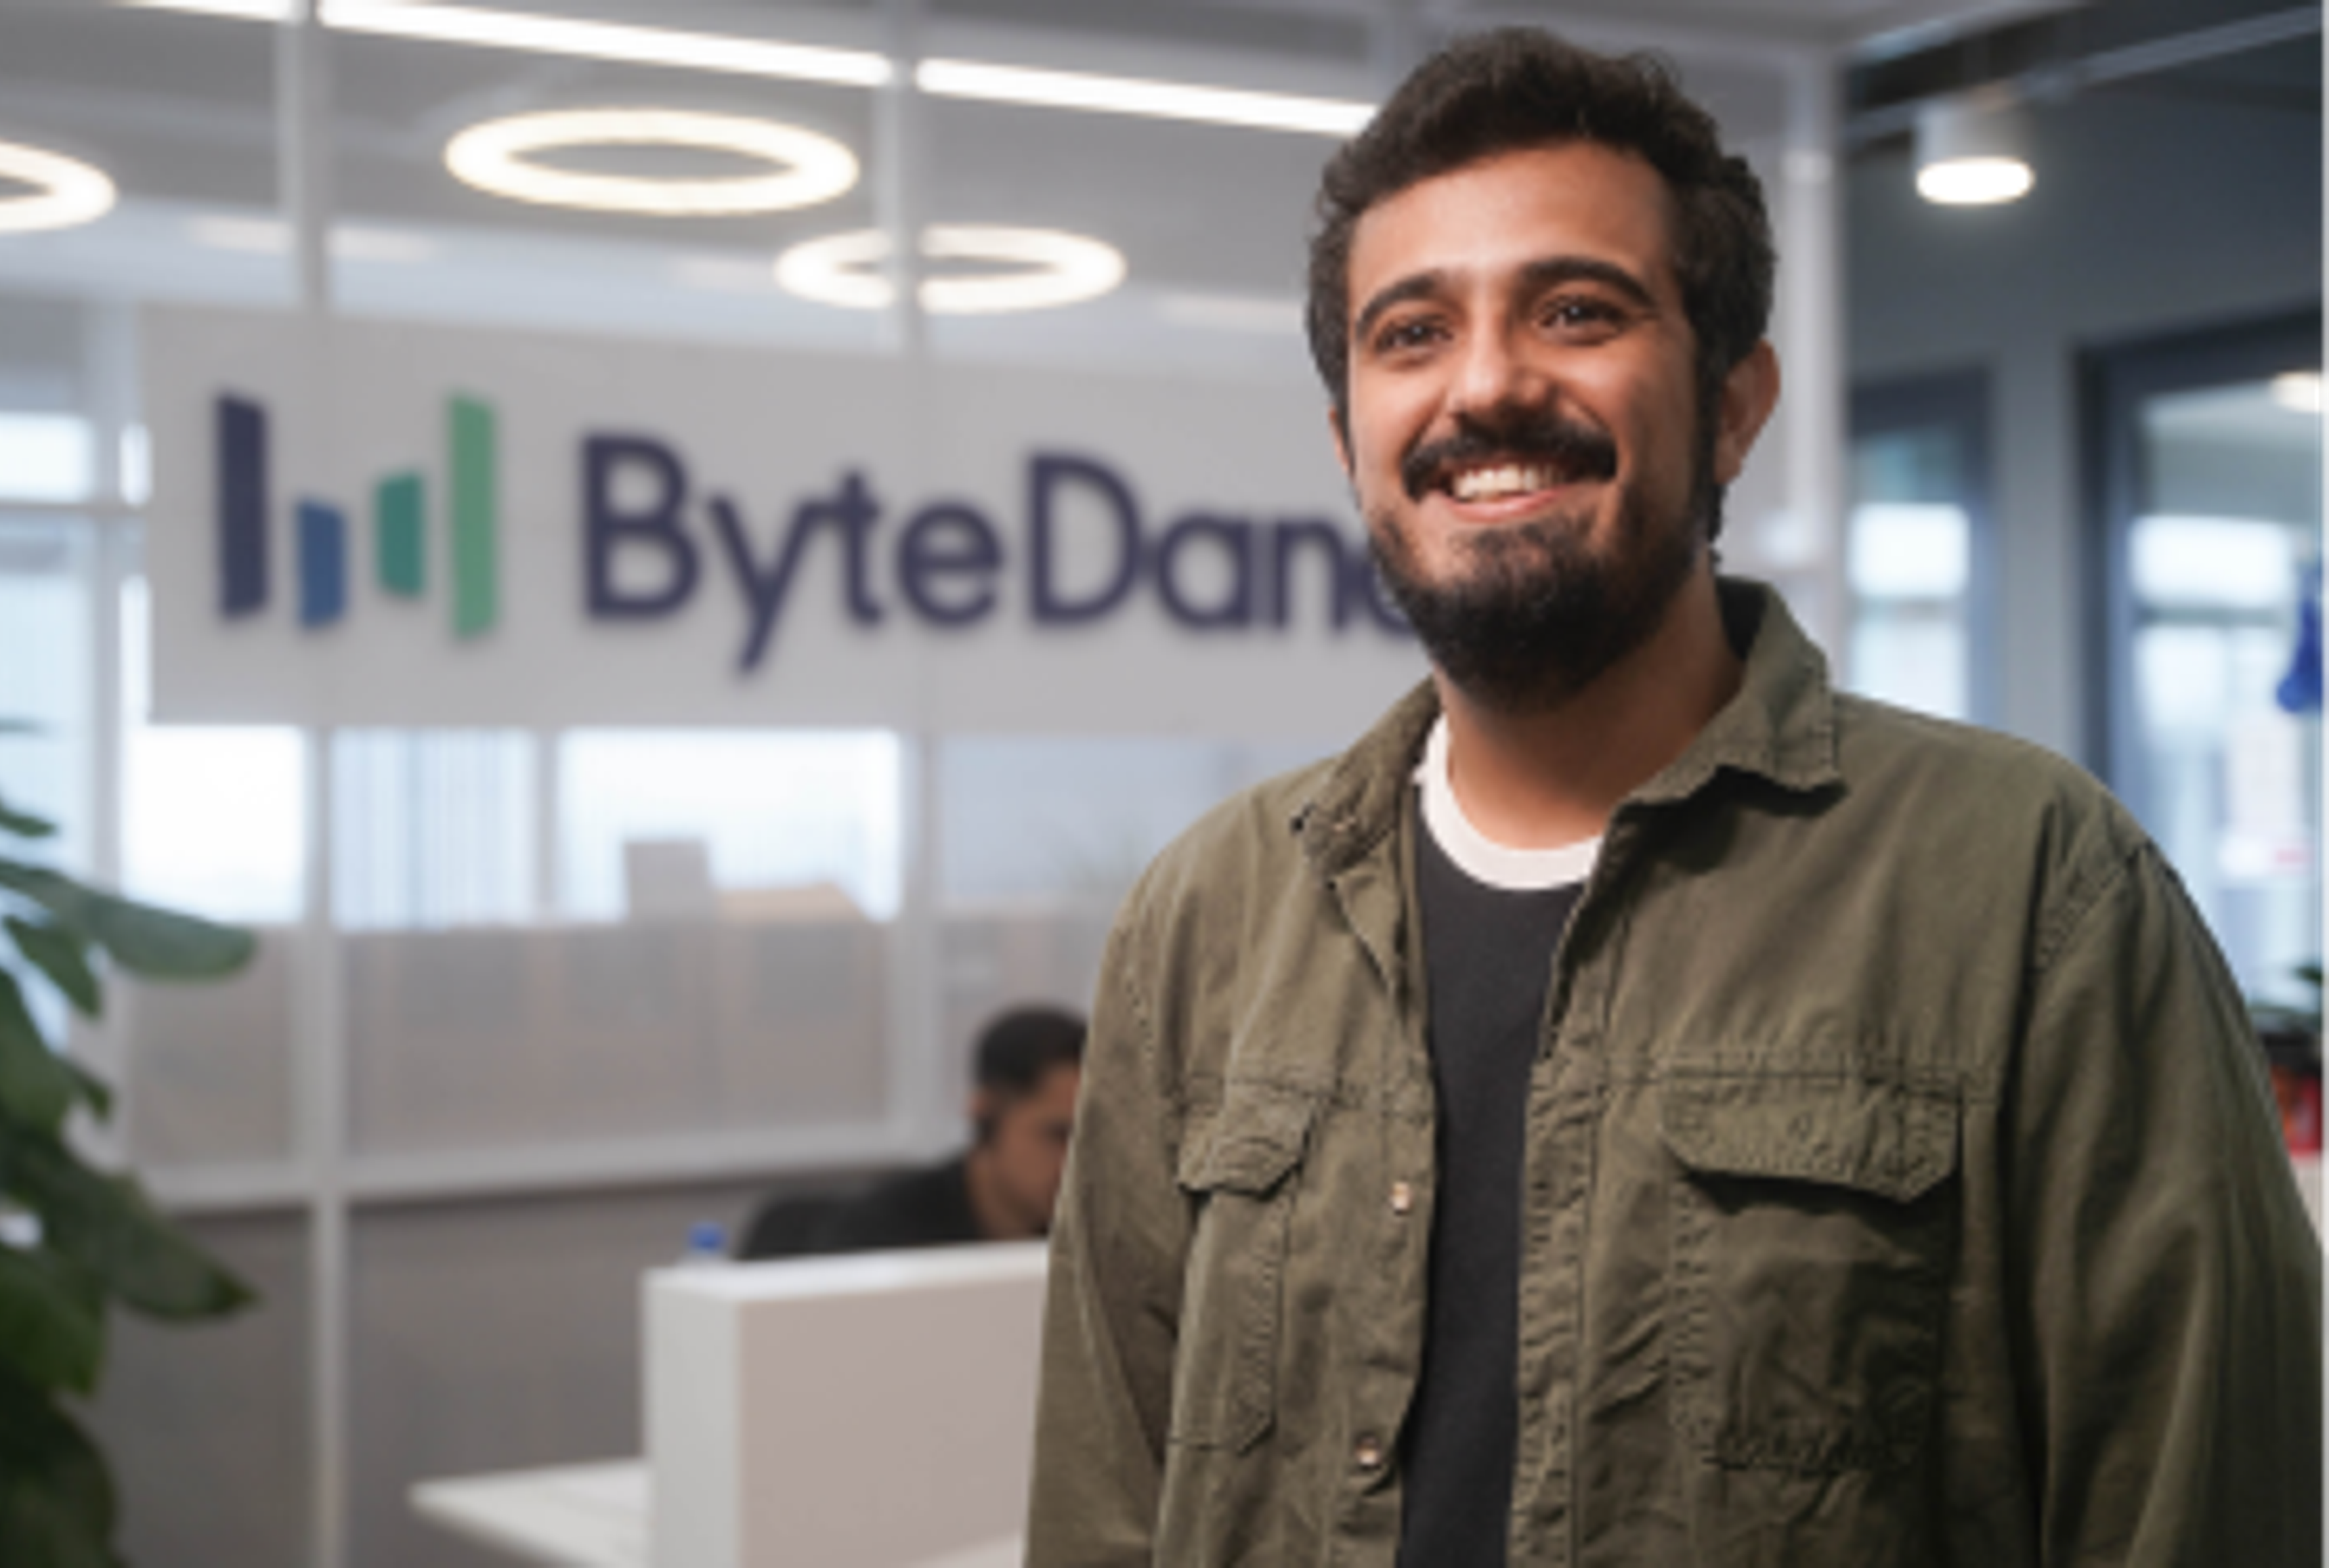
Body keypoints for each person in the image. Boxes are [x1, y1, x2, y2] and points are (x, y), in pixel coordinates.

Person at [1026, 27, 2329, 1568]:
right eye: (1409, 332)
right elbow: (1105, 1512)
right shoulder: (1208, 919)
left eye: (1575, 309)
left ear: (1729, 402)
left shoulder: (2033, 891)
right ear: (1349, 443)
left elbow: (2212, 1509)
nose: (1488, 382)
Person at [805, 1004, 1085, 1252]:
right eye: (1059, 1135)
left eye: (1093, 1143)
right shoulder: (877, 1239)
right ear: (987, 1113)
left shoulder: (1100, 1237)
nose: (1079, 1166)